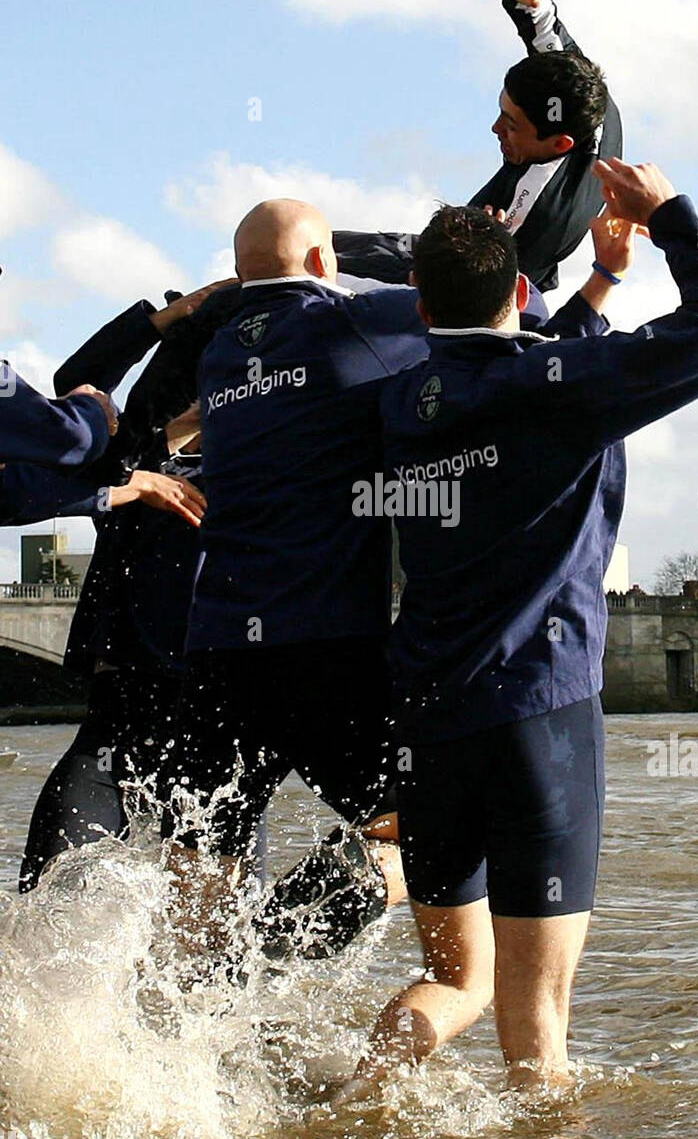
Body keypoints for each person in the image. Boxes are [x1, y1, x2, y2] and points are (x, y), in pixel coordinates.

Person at [335, 158, 698, 1099]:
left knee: (457, 983)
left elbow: (504, 367)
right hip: (542, 714)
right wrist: (671, 218)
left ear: (417, 303)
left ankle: (344, 1111)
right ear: (521, 290)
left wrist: (602, 284)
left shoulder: (402, 402)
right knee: (539, 1035)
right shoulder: (563, 386)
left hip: (431, 716)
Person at [158, 198, 626, 966]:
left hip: (214, 648)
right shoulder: (354, 323)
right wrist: (588, 274)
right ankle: (286, 942)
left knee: (202, 865)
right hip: (324, 649)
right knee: (426, 827)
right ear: (320, 264)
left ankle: (188, 1025)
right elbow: (498, 310)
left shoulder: (217, 357)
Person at [17, 287, 225, 892]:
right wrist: (161, 319)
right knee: (46, 899)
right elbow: (78, 383)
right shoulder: (132, 471)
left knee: (211, 949)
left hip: (217, 730)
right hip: (118, 727)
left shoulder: (266, 470)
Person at [333, 0, 621, 293]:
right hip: (445, 254)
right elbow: (544, 28)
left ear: (560, 144)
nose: (495, 129)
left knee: (292, 259)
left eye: (511, 125)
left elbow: (458, 285)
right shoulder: (582, 92)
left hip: (454, 286)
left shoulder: (536, 216)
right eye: (501, 111)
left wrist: (483, 243)